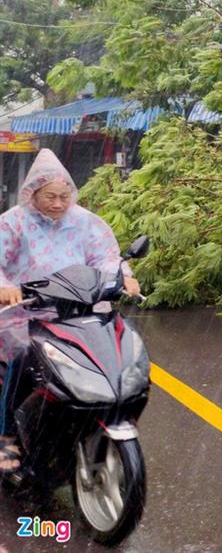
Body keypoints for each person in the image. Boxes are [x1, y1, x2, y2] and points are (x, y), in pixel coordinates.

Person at [0, 149, 141, 472]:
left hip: (79, 309)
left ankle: (100, 411)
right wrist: (5, 287)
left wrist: (125, 278)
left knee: (114, 347)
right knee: (21, 357)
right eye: (51, 196)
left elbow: (106, 258)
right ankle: (5, 432)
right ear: (33, 191)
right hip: (26, 312)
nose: (59, 203)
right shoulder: (12, 224)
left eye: (65, 196)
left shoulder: (87, 223)